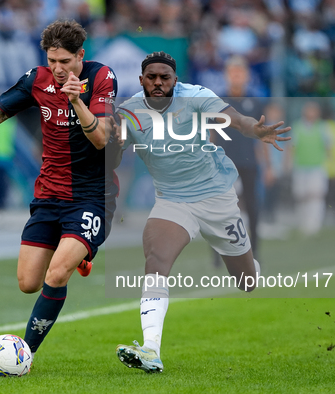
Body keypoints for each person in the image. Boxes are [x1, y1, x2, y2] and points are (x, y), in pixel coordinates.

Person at [0, 20, 120, 357]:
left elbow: (101, 139)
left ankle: (24, 354)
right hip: (48, 194)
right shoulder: (36, 79)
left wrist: (76, 102)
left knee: (56, 273)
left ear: (81, 56)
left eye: (65, 61)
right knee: (28, 283)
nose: (57, 69)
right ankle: (79, 256)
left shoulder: (101, 77)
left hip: (91, 196)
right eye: (52, 60)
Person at [114, 52, 290, 373]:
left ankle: (252, 265)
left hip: (217, 199)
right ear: (141, 80)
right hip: (172, 201)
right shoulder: (128, 112)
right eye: (151, 77)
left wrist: (255, 129)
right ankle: (151, 349)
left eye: (164, 77)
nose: (158, 82)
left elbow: (236, 119)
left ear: (175, 80)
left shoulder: (196, 96)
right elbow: (111, 154)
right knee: (156, 261)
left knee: (246, 282)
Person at [211, 55, 270, 261]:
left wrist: (268, 165)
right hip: (223, 163)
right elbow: (211, 135)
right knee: (219, 209)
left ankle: (254, 251)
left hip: (248, 162)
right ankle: (218, 253)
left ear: (246, 76)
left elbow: (262, 137)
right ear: (226, 76)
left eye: (240, 72)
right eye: (232, 73)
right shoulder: (217, 102)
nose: (236, 76)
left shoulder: (255, 102)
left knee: (252, 207)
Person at [285, 101, 330, 236]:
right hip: (301, 166)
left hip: (317, 166)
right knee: (301, 195)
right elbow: (292, 147)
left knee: (316, 195)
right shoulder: (297, 127)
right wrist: (288, 162)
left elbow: (328, 147)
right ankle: (303, 222)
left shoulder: (322, 127)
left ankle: (314, 223)